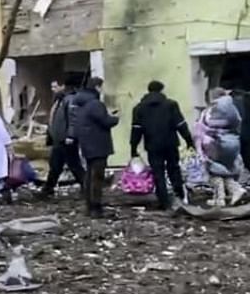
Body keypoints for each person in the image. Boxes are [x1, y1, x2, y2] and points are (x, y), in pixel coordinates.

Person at [129, 80, 196, 210]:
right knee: (174, 169)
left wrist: (133, 148)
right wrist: (189, 141)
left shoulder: (139, 108)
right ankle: (179, 197)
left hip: (152, 145)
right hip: (170, 143)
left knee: (157, 172)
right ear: (161, 90)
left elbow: (136, 130)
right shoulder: (171, 105)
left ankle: (164, 202)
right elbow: (180, 124)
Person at [72, 76, 118, 217]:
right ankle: (96, 208)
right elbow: (104, 121)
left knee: (89, 176)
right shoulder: (95, 104)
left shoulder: (81, 103)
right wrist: (115, 118)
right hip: (98, 145)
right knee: (97, 177)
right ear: (97, 87)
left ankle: (89, 206)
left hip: (87, 144)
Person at [38, 75, 86, 199]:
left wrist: (71, 135)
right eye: (52, 87)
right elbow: (54, 119)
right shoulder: (59, 100)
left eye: (55, 86)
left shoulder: (69, 100)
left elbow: (72, 120)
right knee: (55, 166)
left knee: (74, 165)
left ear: (63, 87)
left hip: (66, 140)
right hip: (58, 140)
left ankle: (87, 187)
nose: (53, 89)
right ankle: (48, 189)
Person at [198, 88, 246, 207]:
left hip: (216, 143)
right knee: (224, 171)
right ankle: (235, 190)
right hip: (233, 143)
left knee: (213, 170)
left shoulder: (212, 109)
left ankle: (220, 198)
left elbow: (202, 127)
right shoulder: (232, 108)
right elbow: (239, 123)